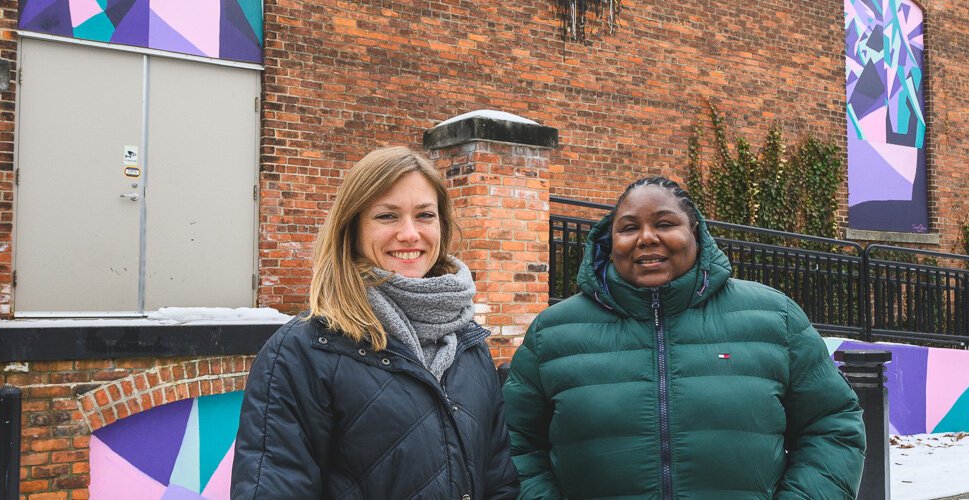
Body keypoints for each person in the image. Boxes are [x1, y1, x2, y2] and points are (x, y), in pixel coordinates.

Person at [503, 177, 867, 499]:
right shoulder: (553, 332)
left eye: (664, 223)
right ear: (610, 241)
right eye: (628, 228)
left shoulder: (775, 317)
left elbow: (832, 425)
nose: (646, 238)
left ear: (695, 231)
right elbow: (511, 444)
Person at [233, 146, 518, 499]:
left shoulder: (469, 345)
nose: (410, 234)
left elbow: (500, 483)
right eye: (387, 216)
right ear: (351, 228)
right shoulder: (301, 352)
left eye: (425, 215)